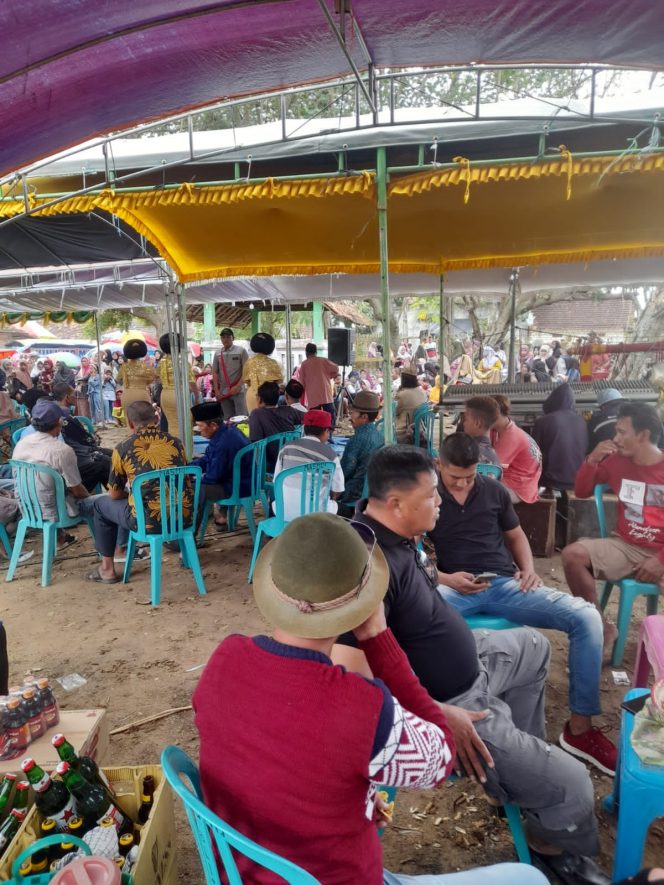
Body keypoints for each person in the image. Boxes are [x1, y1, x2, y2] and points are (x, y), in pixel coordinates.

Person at [194, 511, 547, 885]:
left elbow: (262, 751)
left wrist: (353, 799)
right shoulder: (360, 706)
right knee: (528, 879)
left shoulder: (226, 657)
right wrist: (379, 638)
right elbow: (440, 756)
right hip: (332, 876)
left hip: (240, 871)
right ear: (364, 603)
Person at [334, 446, 609, 885]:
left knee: (535, 648)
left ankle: (517, 781)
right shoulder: (366, 565)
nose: (441, 500)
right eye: (432, 495)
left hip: (472, 661)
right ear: (396, 504)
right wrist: (437, 714)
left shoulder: (400, 534)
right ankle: (551, 847)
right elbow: (351, 680)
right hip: (453, 706)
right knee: (573, 784)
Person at [430, 433, 614, 775]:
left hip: (502, 583)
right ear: (438, 465)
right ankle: (439, 715)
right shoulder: (426, 494)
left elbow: (515, 535)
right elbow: (412, 554)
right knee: (414, 620)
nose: (463, 484)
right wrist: (445, 578)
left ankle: (580, 729)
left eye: (470, 477)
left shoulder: (493, 490)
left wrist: (528, 570)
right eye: (455, 478)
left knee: (586, 617)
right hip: (454, 588)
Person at [563, 402, 664, 650]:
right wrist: (592, 460)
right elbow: (583, 491)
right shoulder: (616, 462)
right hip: (625, 545)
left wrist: (660, 559)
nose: (615, 439)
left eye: (622, 432)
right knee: (572, 555)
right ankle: (600, 627)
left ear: (643, 435)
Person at [88, 400, 191, 584]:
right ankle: (186, 555)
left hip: (147, 521)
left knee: (100, 505)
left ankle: (107, 569)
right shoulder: (176, 443)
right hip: (180, 516)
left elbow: (114, 494)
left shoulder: (122, 448)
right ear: (157, 418)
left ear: (129, 423)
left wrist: (136, 493)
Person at [13, 399, 98, 543]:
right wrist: (91, 497)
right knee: (109, 503)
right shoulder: (61, 450)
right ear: (59, 422)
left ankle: (60, 537)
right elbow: (77, 491)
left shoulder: (21, 444)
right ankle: (119, 549)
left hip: (28, 510)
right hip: (58, 512)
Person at [272, 409, 344, 519]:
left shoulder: (286, 448)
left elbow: (277, 480)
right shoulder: (331, 455)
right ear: (326, 431)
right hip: (316, 516)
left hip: (284, 513)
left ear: (304, 429)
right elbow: (337, 490)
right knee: (347, 510)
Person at [190, 401, 251, 531]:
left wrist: (192, 479)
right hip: (240, 480)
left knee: (194, 489)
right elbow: (208, 459)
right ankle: (221, 517)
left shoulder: (223, 443)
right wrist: (189, 468)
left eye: (200, 426)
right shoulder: (228, 431)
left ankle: (188, 535)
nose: (199, 431)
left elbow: (213, 477)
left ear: (213, 425)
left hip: (239, 486)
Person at [53, 383, 112, 492]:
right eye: (74, 394)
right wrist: (95, 439)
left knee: (111, 454)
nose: (76, 396)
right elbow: (87, 442)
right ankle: (116, 494)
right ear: (67, 397)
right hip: (75, 461)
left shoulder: (53, 412)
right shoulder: (65, 418)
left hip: (69, 457)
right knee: (107, 461)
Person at [532, 384, 588, 493]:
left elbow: (533, 455)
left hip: (550, 481)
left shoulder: (543, 422)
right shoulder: (582, 422)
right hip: (577, 481)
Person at [337, 390, 384, 515]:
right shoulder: (378, 434)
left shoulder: (357, 439)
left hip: (352, 496)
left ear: (364, 417)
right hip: (370, 491)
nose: (350, 416)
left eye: (353, 413)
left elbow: (345, 472)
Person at [490, 394, 542, 504]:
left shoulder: (511, 436)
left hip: (520, 488)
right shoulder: (498, 430)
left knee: (479, 491)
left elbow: (490, 468)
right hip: (519, 481)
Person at [248, 381, 303, 473]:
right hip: (290, 461)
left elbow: (256, 443)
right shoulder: (289, 410)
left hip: (270, 467)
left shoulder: (256, 414)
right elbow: (308, 417)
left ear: (260, 399)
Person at [157, 332, 197, 441]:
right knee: (186, 424)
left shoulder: (161, 363)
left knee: (172, 424)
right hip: (179, 394)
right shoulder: (182, 362)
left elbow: (158, 378)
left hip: (165, 395)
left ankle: (174, 451)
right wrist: (197, 398)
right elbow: (192, 383)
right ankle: (185, 452)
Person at [295, 342, 338, 423]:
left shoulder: (304, 364)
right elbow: (336, 369)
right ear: (316, 352)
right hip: (326, 394)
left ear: (306, 352)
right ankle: (330, 434)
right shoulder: (323, 360)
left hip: (313, 397)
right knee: (330, 417)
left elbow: (301, 383)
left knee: (315, 419)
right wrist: (330, 376)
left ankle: (317, 434)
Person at [242, 332, 283, 414]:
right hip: (269, 397)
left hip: (252, 395)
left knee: (254, 419)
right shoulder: (273, 363)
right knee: (270, 420)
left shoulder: (249, 362)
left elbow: (246, 380)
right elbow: (278, 381)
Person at [212, 328, 248, 418]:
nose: (226, 339)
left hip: (238, 391)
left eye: (228, 337)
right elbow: (215, 372)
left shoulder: (241, 351)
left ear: (233, 338)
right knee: (227, 417)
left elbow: (246, 371)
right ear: (221, 339)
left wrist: (238, 386)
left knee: (241, 417)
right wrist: (216, 390)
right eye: (223, 337)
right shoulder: (217, 354)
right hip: (223, 392)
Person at [458, 396, 501, 467]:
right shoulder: (493, 455)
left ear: (477, 423)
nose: (463, 423)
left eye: (465, 419)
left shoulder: (467, 453)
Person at [116, 339, 156, 412]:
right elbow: (152, 380)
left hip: (127, 395)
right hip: (142, 394)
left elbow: (119, 380)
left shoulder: (124, 367)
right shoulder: (146, 367)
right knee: (143, 420)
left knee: (129, 421)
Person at [395, 368, 428, 444]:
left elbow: (394, 412)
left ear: (403, 380)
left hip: (404, 433)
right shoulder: (420, 391)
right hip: (420, 431)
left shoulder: (402, 395)